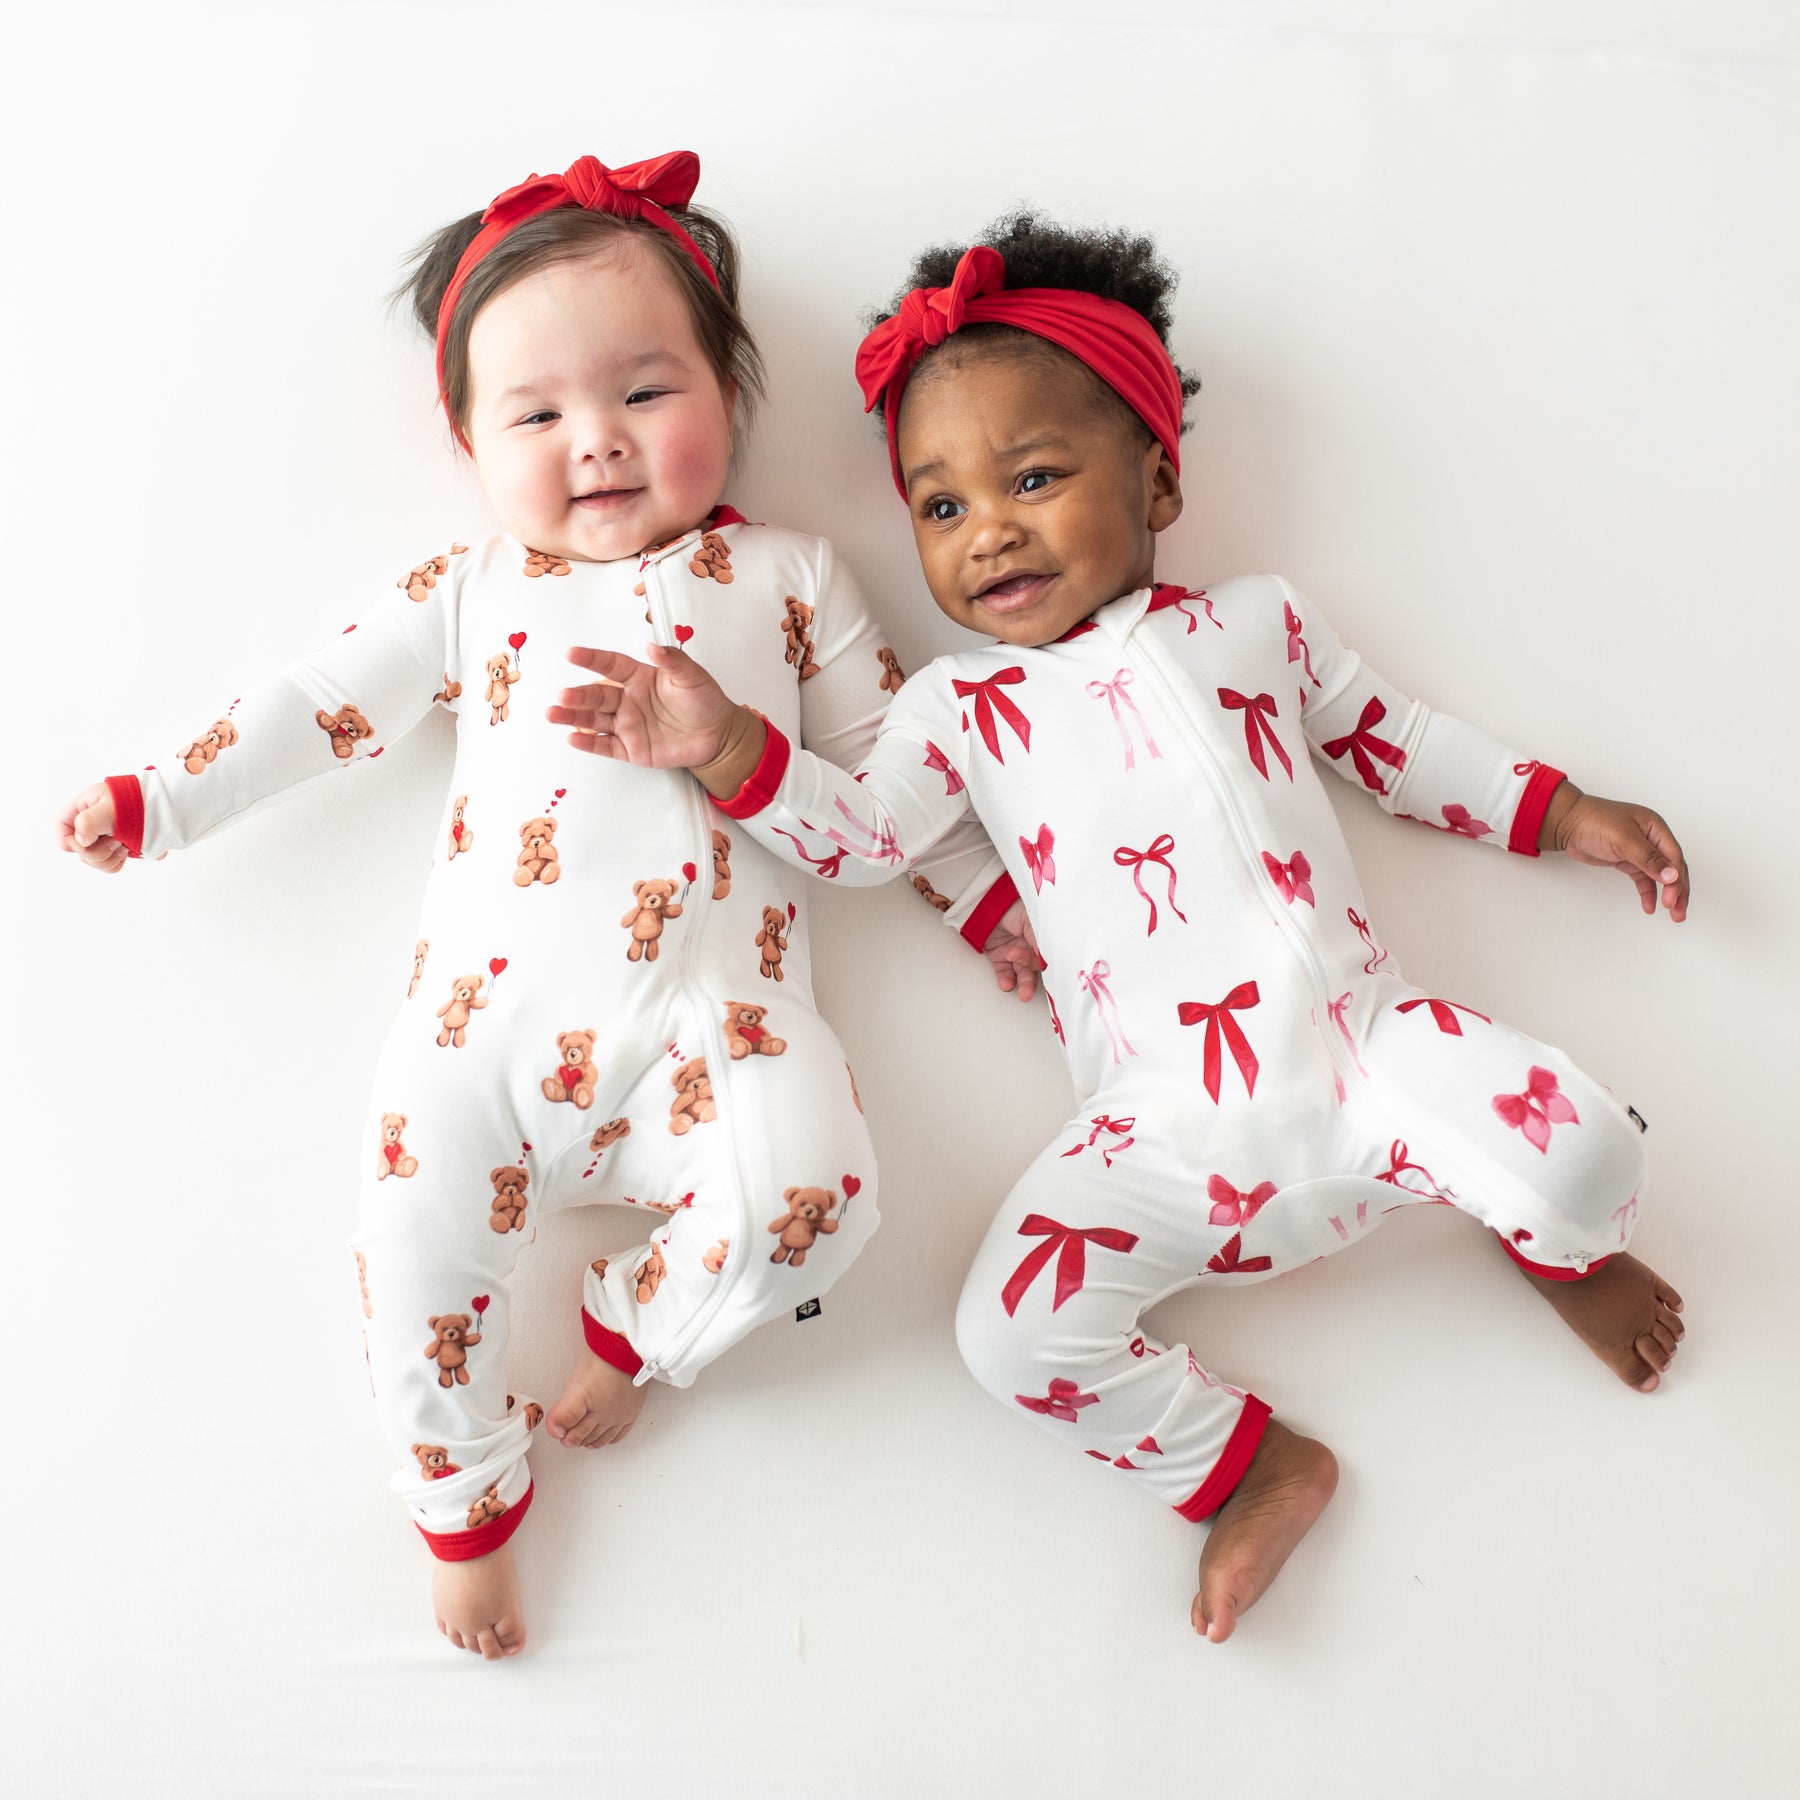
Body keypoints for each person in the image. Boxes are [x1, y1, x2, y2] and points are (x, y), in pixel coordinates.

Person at [550, 211, 1689, 1644]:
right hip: (1159, 1130)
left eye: (1034, 477)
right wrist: (730, 753)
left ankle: (1551, 1237)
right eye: (942, 507)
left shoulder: (1258, 628)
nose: (991, 531)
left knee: (1593, 1148)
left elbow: (1399, 745)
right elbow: (865, 839)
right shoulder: (955, 709)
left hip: (1371, 1052)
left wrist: (1561, 808)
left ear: (1157, 478)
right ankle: (1244, 1465)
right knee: (1004, 1334)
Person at [52, 154, 1024, 1661]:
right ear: (468, 440)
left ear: (729, 391)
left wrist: (985, 907)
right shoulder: (473, 588)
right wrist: (162, 799)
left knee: (819, 1195)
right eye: (538, 415)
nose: (598, 445)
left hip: (725, 1022)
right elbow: (322, 705)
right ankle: (457, 1497)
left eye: (647, 392)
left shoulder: (788, 576)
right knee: (406, 1243)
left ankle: (643, 1325)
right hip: (484, 1031)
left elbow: (890, 788)